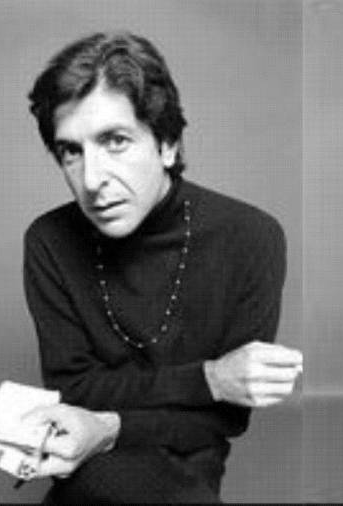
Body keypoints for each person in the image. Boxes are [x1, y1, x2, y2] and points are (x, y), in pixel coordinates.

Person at [22, 31, 302, 503]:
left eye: (115, 141)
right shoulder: (49, 240)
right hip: (83, 465)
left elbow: (225, 418)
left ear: (168, 143)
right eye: (71, 151)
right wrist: (209, 379)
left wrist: (108, 427)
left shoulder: (251, 237)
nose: (92, 180)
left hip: (184, 466)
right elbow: (74, 391)